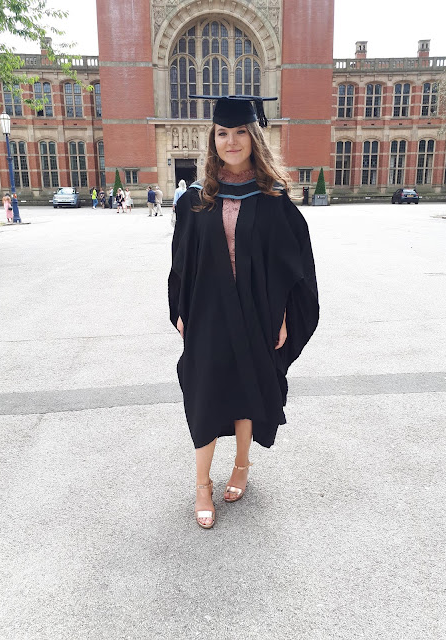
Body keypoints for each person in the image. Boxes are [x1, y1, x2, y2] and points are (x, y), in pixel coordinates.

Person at [168, 95, 319, 529]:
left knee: (248, 390)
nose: (230, 141)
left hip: (257, 310)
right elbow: (181, 260)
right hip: (207, 312)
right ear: (212, 139)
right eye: (222, 133)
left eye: (239, 133)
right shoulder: (195, 199)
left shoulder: (272, 199)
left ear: (253, 137)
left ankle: (241, 465)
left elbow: (292, 264)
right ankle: (202, 484)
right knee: (204, 395)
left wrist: (284, 314)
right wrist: (180, 308)